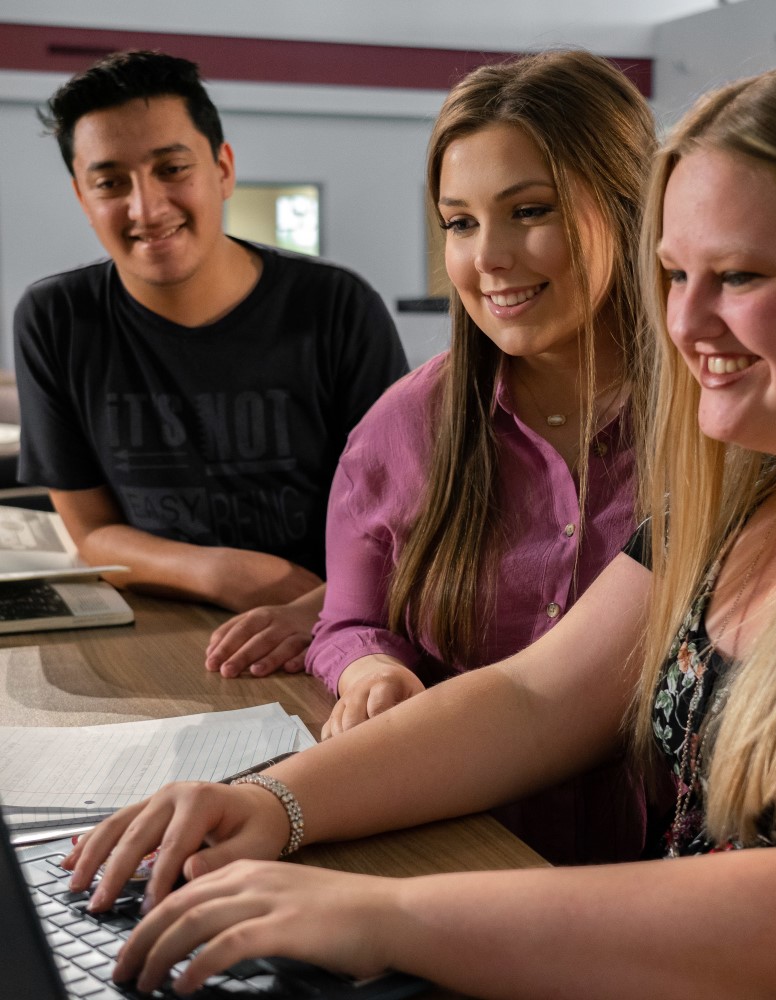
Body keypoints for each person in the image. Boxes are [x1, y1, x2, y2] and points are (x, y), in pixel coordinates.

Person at [66, 45, 776, 999]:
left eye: (742, 276)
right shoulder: (740, 492)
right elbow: (537, 702)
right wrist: (269, 803)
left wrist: (384, 917)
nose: (686, 324)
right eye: (675, 276)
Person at [206, 50, 657, 865]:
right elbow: (349, 619)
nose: (488, 258)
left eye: (530, 210)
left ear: (631, 207)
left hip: (670, 881)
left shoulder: (720, 430)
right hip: (454, 849)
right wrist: (370, 671)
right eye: (460, 223)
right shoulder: (402, 429)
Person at [13, 50, 408, 615]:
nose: (146, 208)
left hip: (334, 617)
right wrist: (220, 571)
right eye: (110, 182)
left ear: (222, 170)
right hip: (158, 619)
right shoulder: (55, 319)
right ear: (82, 196)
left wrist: (323, 612)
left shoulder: (336, 307)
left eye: (172, 169)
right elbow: (91, 530)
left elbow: (401, 517)